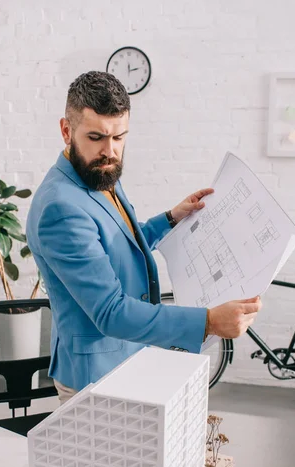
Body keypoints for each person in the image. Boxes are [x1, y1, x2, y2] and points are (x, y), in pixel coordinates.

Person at [26, 71, 262, 404]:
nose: (110, 151)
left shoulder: (99, 172)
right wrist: (208, 322)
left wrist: (170, 218)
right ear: (66, 131)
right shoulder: (60, 209)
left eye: (119, 137)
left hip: (126, 359)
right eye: (96, 137)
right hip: (93, 377)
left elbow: (116, 242)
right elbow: (111, 312)